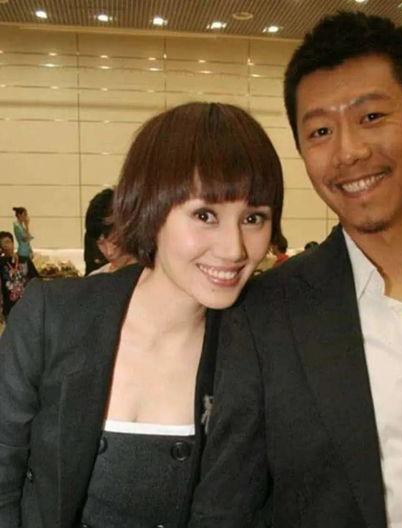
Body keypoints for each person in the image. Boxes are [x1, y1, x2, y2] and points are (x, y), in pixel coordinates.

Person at [189, 11, 402, 528]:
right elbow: (227, 506)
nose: (348, 152)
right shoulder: (266, 317)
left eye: (371, 116)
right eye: (320, 131)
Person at [0, 102, 284, 528]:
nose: (234, 249)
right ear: (151, 209)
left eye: (253, 218)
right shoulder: (51, 319)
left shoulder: (255, 349)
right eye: (205, 215)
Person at [84, 187, 136, 275]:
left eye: (115, 242)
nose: (110, 252)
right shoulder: (96, 277)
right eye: (101, 243)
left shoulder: (154, 275)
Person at [0, 231, 39, 320]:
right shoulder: (1, 263)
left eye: (7, 242)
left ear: (13, 243)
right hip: (10, 309)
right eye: (2, 244)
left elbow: (36, 279)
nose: (5, 245)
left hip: (27, 307)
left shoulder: (24, 259)